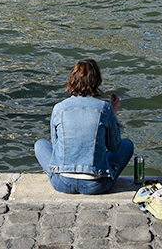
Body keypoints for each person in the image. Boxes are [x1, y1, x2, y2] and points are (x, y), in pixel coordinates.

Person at [34, 59, 134, 194]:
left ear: (72, 79)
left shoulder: (59, 108)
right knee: (127, 144)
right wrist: (114, 112)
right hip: (96, 185)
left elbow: (57, 147)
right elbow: (114, 147)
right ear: (97, 81)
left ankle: (60, 174)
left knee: (40, 144)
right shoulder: (104, 108)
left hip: (63, 183)